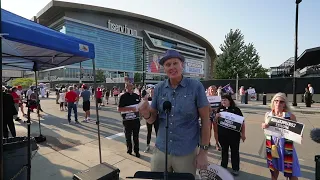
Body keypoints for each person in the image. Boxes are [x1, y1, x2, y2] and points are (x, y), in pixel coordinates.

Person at [138, 49, 210, 177]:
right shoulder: (159, 88)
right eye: (167, 64)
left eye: (175, 63)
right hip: (161, 148)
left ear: (182, 65)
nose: (172, 67)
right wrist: (145, 112)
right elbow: (152, 119)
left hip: (186, 151)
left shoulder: (195, 86)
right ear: (164, 69)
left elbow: (205, 120)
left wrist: (203, 152)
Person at [261, 93, 300, 180]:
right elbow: (267, 132)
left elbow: (298, 133)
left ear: (284, 104)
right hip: (273, 145)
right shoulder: (268, 115)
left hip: (286, 146)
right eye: (276, 101)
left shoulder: (290, 116)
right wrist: (264, 126)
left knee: (292, 173)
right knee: (274, 171)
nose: (278, 103)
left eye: (281, 102)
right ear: (273, 102)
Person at [215, 94, 245, 176]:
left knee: (234, 152)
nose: (223, 102)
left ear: (230, 101)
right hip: (223, 136)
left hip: (234, 136)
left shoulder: (236, 110)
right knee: (224, 151)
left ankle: (235, 168)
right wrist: (216, 117)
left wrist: (243, 134)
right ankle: (223, 166)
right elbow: (215, 122)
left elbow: (242, 122)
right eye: (222, 100)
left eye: (225, 100)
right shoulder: (219, 109)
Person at [117, 82, 141, 158]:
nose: (129, 87)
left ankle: (136, 151)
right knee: (128, 136)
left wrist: (141, 114)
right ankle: (129, 149)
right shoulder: (123, 97)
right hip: (127, 120)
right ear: (125, 87)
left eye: (130, 85)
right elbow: (119, 109)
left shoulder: (136, 96)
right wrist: (130, 108)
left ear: (133, 86)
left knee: (136, 137)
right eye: (127, 86)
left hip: (136, 120)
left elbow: (139, 107)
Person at [144, 87, 159, 153]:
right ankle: (148, 146)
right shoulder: (146, 99)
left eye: (152, 91)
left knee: (157, 132)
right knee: (149, 132)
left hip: (156, 117)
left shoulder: (157, 99)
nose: (151, 93)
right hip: (149, 118)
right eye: (150, 91)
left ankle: (158, 147)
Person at [206, 85, 221, 151]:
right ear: (208, 90)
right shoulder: (206, 98)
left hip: (216, 115)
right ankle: (208, 142)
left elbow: (221, 107)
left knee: (216, 130)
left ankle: (217, 143)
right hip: (208, 115)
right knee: (208, 130)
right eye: (211, 89)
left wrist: (217, 109)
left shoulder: (218, 98)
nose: (212, 91)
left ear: (216, 90)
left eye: (213, 89)